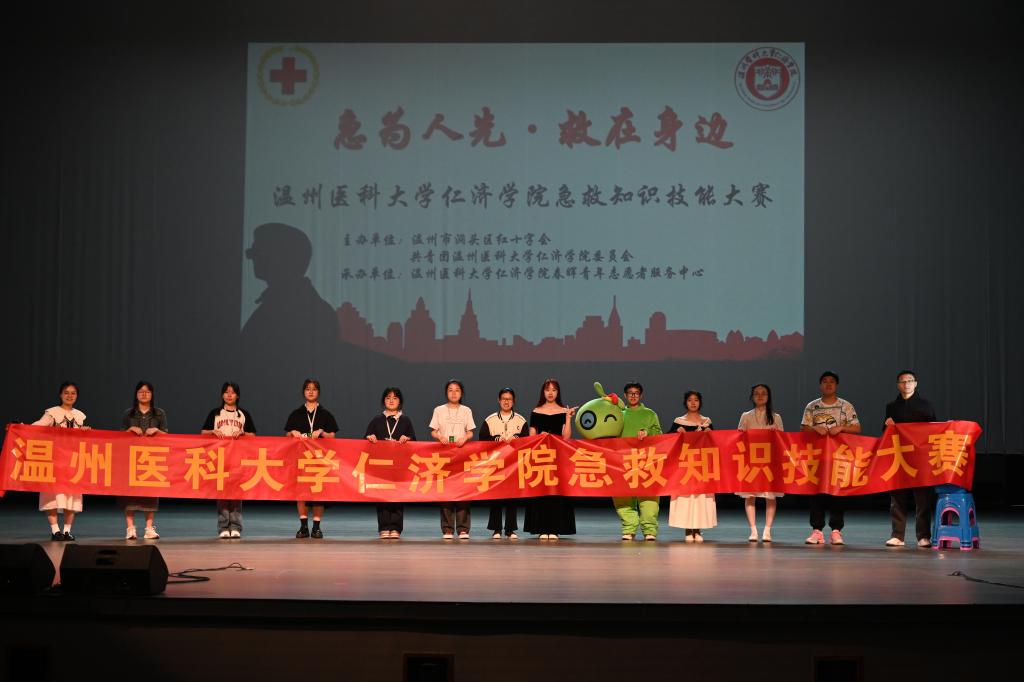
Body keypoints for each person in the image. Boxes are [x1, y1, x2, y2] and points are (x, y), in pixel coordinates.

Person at [800, 371, 860, 545]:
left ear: (836, 385)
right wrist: (814, 429)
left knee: (838, 493)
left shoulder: (845, 406)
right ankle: (817, 531)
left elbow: (857, 428)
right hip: (817, 457)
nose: (828, 384)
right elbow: (803, 428)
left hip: (840, 457)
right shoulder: (812, 406)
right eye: (825, 381)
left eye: (832, 382)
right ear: (820, 385)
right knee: (816, 493)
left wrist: (841, 428)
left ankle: (836, 531)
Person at [884, 370, 938, 548]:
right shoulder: (892, 406)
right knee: (897, 497)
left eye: (909, 380)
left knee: (923, 499)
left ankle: (923, 536)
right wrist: (888, 426)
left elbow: (934, 430)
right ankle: (897, 535)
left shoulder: (926, 405)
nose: (906, 384)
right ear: (898, 385)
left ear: (915, 384)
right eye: (902, 381)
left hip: (920, 457)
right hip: (899, 456)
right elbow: (886, 433)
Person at [32, 381, 90, 541]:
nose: (69, 396)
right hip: (55, 460)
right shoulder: (52, 413)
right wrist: (20, 428)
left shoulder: (80, 415)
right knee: (52, 494)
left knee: (72, 496)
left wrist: (85, 432)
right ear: (60, 394)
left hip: (73, 461)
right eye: (66, 392)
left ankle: (67, 530)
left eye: (73, 393)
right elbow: (38, 426)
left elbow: (80, 438)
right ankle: (55, 530)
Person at [201, 382, 257, 539]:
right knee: (222, 494)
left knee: (236, 494)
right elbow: (203, 433)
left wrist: (243, 433)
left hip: (237, 459)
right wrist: (212, 432)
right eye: (226, 392)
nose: (229, 395)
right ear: (222, 395)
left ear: (237, 396)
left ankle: (236, 526)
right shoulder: (215, 413)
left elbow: (253, 435)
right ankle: (223, 526)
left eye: (232, 392)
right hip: (219, 459)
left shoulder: (243, 414)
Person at [285, 378, 339, 539]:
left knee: (318, 492)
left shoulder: (325, 414)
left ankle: (316, 527)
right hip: (301, 459)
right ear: (303, 392)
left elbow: (332, 436)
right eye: (308, 389)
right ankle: (303, 527)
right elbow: (287, 435)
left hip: (320, 460)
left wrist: (322, 433)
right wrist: (292, 433)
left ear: (318, 392)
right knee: (301, 492)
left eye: (314, 389)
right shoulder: (296, 413)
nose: (310, 391)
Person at [524, 379, 577, 540]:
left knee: (557, 492)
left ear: (558, 392)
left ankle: (555, 528)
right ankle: (541, 528)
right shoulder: (536, 411)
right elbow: (531, 437)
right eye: (547, 389)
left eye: (554, 390)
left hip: (558, 457)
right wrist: (540, 437)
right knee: (541, 492)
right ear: (543, 392)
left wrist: (568, 418)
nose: (550, 393)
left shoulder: (563, 411)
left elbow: (566, 437)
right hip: (541, 457)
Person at [364, 387, 416, 539]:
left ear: (400, 401)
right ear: (383, 401)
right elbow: (365, 439)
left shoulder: (405, 420)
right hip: (381, 466)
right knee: (382, 496)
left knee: (398, 496)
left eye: (395, 398)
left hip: (399, 466)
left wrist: (408, 439)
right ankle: (384, 527)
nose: (391, 400)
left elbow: (414, 441)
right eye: (388, 398)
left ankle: (396, 528)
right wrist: (370, 437)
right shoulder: (377, 420)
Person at [614, 381, 663, 542]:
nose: (633, 396)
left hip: (646, 461)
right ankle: (629, 528)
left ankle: (649, 529)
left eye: (636, 393)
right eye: (630, 393)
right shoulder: (618, 414)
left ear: (641, 395)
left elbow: (659, 434)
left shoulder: (650, 414)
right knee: (622, 496)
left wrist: (647, 432)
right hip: (623, 460)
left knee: (648, 497)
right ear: (625, 395)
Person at [737, 383, 785, 543]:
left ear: (768, 397)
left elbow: (782, 441)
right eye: (756, 393)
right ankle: (753, 530)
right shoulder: (746, 416)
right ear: (752, 397)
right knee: (750, 495)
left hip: (769, 461)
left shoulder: (776, 417)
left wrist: (776, 435)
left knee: (770, 496)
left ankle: (767, 530)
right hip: (751, 460)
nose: (760, 396)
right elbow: (739, 437)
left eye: (763, 393)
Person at [120, 381, 168, 540]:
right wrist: (129, 430)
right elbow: (119, 438)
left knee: (151, 493)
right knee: (128, 494)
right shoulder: (128, 413)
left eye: (147, 391)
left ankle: (149, 528)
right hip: (132, 458)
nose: (144, 394)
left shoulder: (159, 413)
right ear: (136, 394)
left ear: (152, 394)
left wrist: (157, 431)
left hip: (151, 458)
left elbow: (167, 436)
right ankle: (130, 528)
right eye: (141, 391)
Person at [479, 387, 529, 540]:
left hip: (514, 465)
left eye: (509, 399)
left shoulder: (521, 420)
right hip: (496, 463)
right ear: (499, 400)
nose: (506, 402)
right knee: (496, 496)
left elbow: (527, 440)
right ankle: (496, 529)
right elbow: (482, 440)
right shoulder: (490, 420)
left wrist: (517, 439)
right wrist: (496, 440)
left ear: (513, 401)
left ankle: (510, 529)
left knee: (512, 497)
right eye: (504, 399)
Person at [429, 379, 476, 539]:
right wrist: (439, 436)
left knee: (463, 491)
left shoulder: (466, 410)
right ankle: (447, 529)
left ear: (461, 393)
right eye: (450, 390)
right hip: (444, 455)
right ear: (446, 393)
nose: (454, 393)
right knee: (446, 491)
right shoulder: (439, 410)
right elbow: (433, 431)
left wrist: (465, 438)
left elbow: (470, 431)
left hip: (462, 455)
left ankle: (463, 529)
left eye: (457, 390)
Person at [667, 391, 716, 543]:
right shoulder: (679, 421)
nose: (693, 403)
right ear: (685, 403)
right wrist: (676, 433)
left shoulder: (706, 421)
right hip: (685, 466)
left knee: (700, 498)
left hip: (701, 466)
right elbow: (667, 440)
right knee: (686, 498)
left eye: (696, 400)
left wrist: (710, 434)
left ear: (700, 402)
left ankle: (698, 529)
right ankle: (688, 529)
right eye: (690, 400)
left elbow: (715, 444)